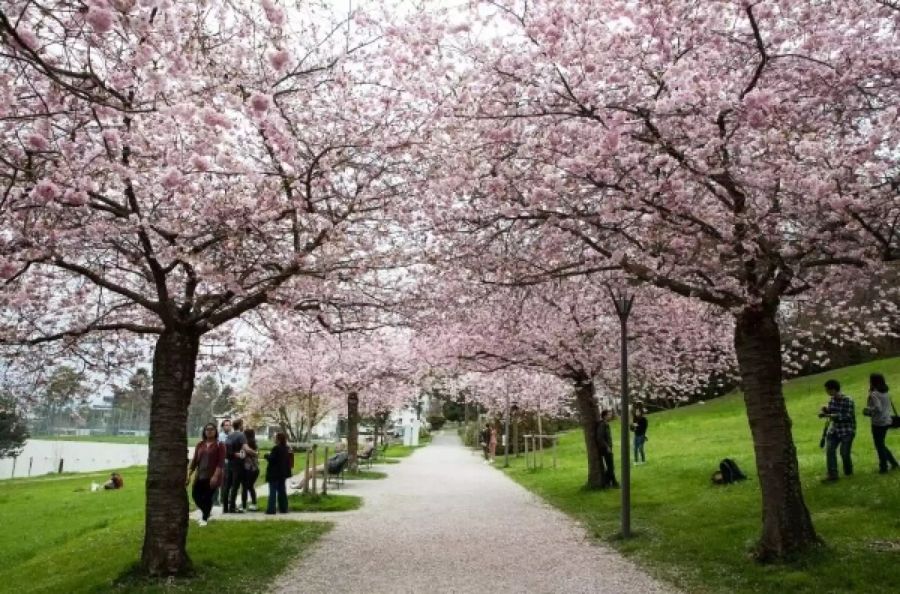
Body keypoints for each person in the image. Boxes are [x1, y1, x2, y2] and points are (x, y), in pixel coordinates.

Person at [186, 423, 225, 526]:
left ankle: (204, 519)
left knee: (207, 497)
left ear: (215, 431)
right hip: (200, 475)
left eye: (212, 429)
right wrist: (189, 474)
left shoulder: (219, 445)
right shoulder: (200, 444)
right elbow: (194, 461)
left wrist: (215, 476)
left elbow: (220, 463)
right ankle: (206, 513)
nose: (209, 431)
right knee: (196, 495)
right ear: (204, 431)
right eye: (207, 429)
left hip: (212, 476)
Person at [819, 379, 856, 482]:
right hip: (834, 430)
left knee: (844, 453)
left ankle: (848, 472)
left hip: (847, 430)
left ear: (833, 389)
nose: (827, 392)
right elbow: (832, 411)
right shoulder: (832, 400)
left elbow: (847, 416)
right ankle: (832, 475)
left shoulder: (848, 400)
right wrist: (825, 411)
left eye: (827, 390)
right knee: (830, 451)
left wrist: (830, 415)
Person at [863, 373, 899, 474]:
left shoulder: (874, 394)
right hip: (887, 420)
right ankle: (893, 463)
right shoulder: (885, 391)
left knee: (879, 445)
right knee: (881, 444)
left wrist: (868, 410)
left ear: (872, 381)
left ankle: (883, 466)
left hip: (878, 422)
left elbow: (878, 407)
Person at [225, 418, 249, 513]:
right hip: (238, 464)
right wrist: (254, 453)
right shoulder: (241, 435)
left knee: (228, 485)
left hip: (230, 462)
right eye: (242, 424)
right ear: (240, 425)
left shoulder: (229, 436)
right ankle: (232, 507)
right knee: (235, 486)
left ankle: (226, 507)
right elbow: (245, 448)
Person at [265, 432, 292, 515]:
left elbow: (272, 459)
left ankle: (271, 509)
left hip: (274, 473)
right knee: (282, 491)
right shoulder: (286, 448)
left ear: (278, 439)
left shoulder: (276, 448)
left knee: (273, 491)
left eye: (275, 438)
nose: (274, 439)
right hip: (282, 473)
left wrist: (266, 455)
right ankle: (284, 508)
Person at [596, 410, 618, 487]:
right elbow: (600, 438)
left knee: (610, 466)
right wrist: (607, 447)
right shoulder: (602, 425)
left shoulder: (606, 424)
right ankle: (613, 483)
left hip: (608, 448)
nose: (610, 416)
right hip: (605, 449)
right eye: (608, 415)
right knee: (611, 466)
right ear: (604, 416)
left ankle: (608, 483)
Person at [240, 428, 260, 511]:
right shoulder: (255, 444)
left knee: (244, 487)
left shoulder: (245, 444)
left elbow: (244, 454)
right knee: (251, 487)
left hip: (247, 468)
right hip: (255, 469)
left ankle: (244, 506)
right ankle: (254, 504)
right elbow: (256, 454)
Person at [214, 418, 232, 507]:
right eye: (226, 425)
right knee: (219, 481)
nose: (228, 427)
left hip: (229, 462)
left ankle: (224, 498)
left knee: (227, 481)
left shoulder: (232, 436)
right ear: (222, 427)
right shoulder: (220, 437)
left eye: (229, 425)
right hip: (221, 462)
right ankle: (215, 500)